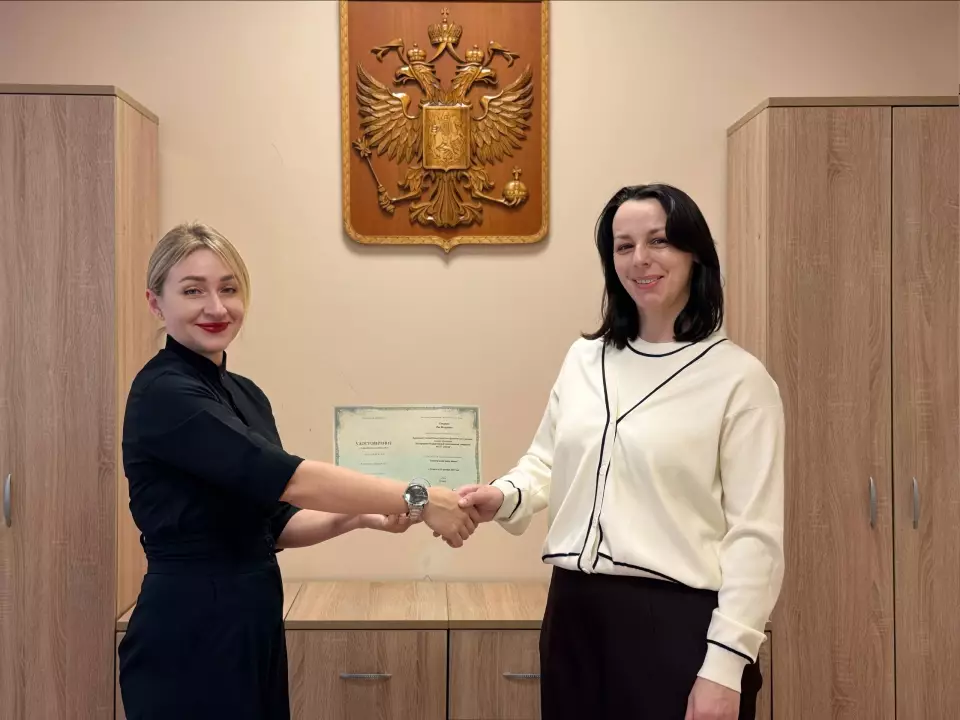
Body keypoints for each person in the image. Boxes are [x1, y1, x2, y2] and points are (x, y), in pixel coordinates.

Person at [118, 222, 478, 720]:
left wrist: (359, 517)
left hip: (252, 621)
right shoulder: (165, 393)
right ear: (156, 303)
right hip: (188, 628)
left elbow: (276, 521)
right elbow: (291, 478)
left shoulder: (245, 394)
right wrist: (419, 496)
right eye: (193, 291)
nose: (216, 307)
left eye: (229, 289)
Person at [455, 184, 785, 720]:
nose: (640, 259)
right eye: (624, 245)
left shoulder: (740, 381)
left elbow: (756, 539)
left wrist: (725, 667)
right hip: (573, 618)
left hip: (676, 626)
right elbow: (548, 461)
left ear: (695, 254)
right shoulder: (584, 359)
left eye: (659, 241)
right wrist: (503, 495)